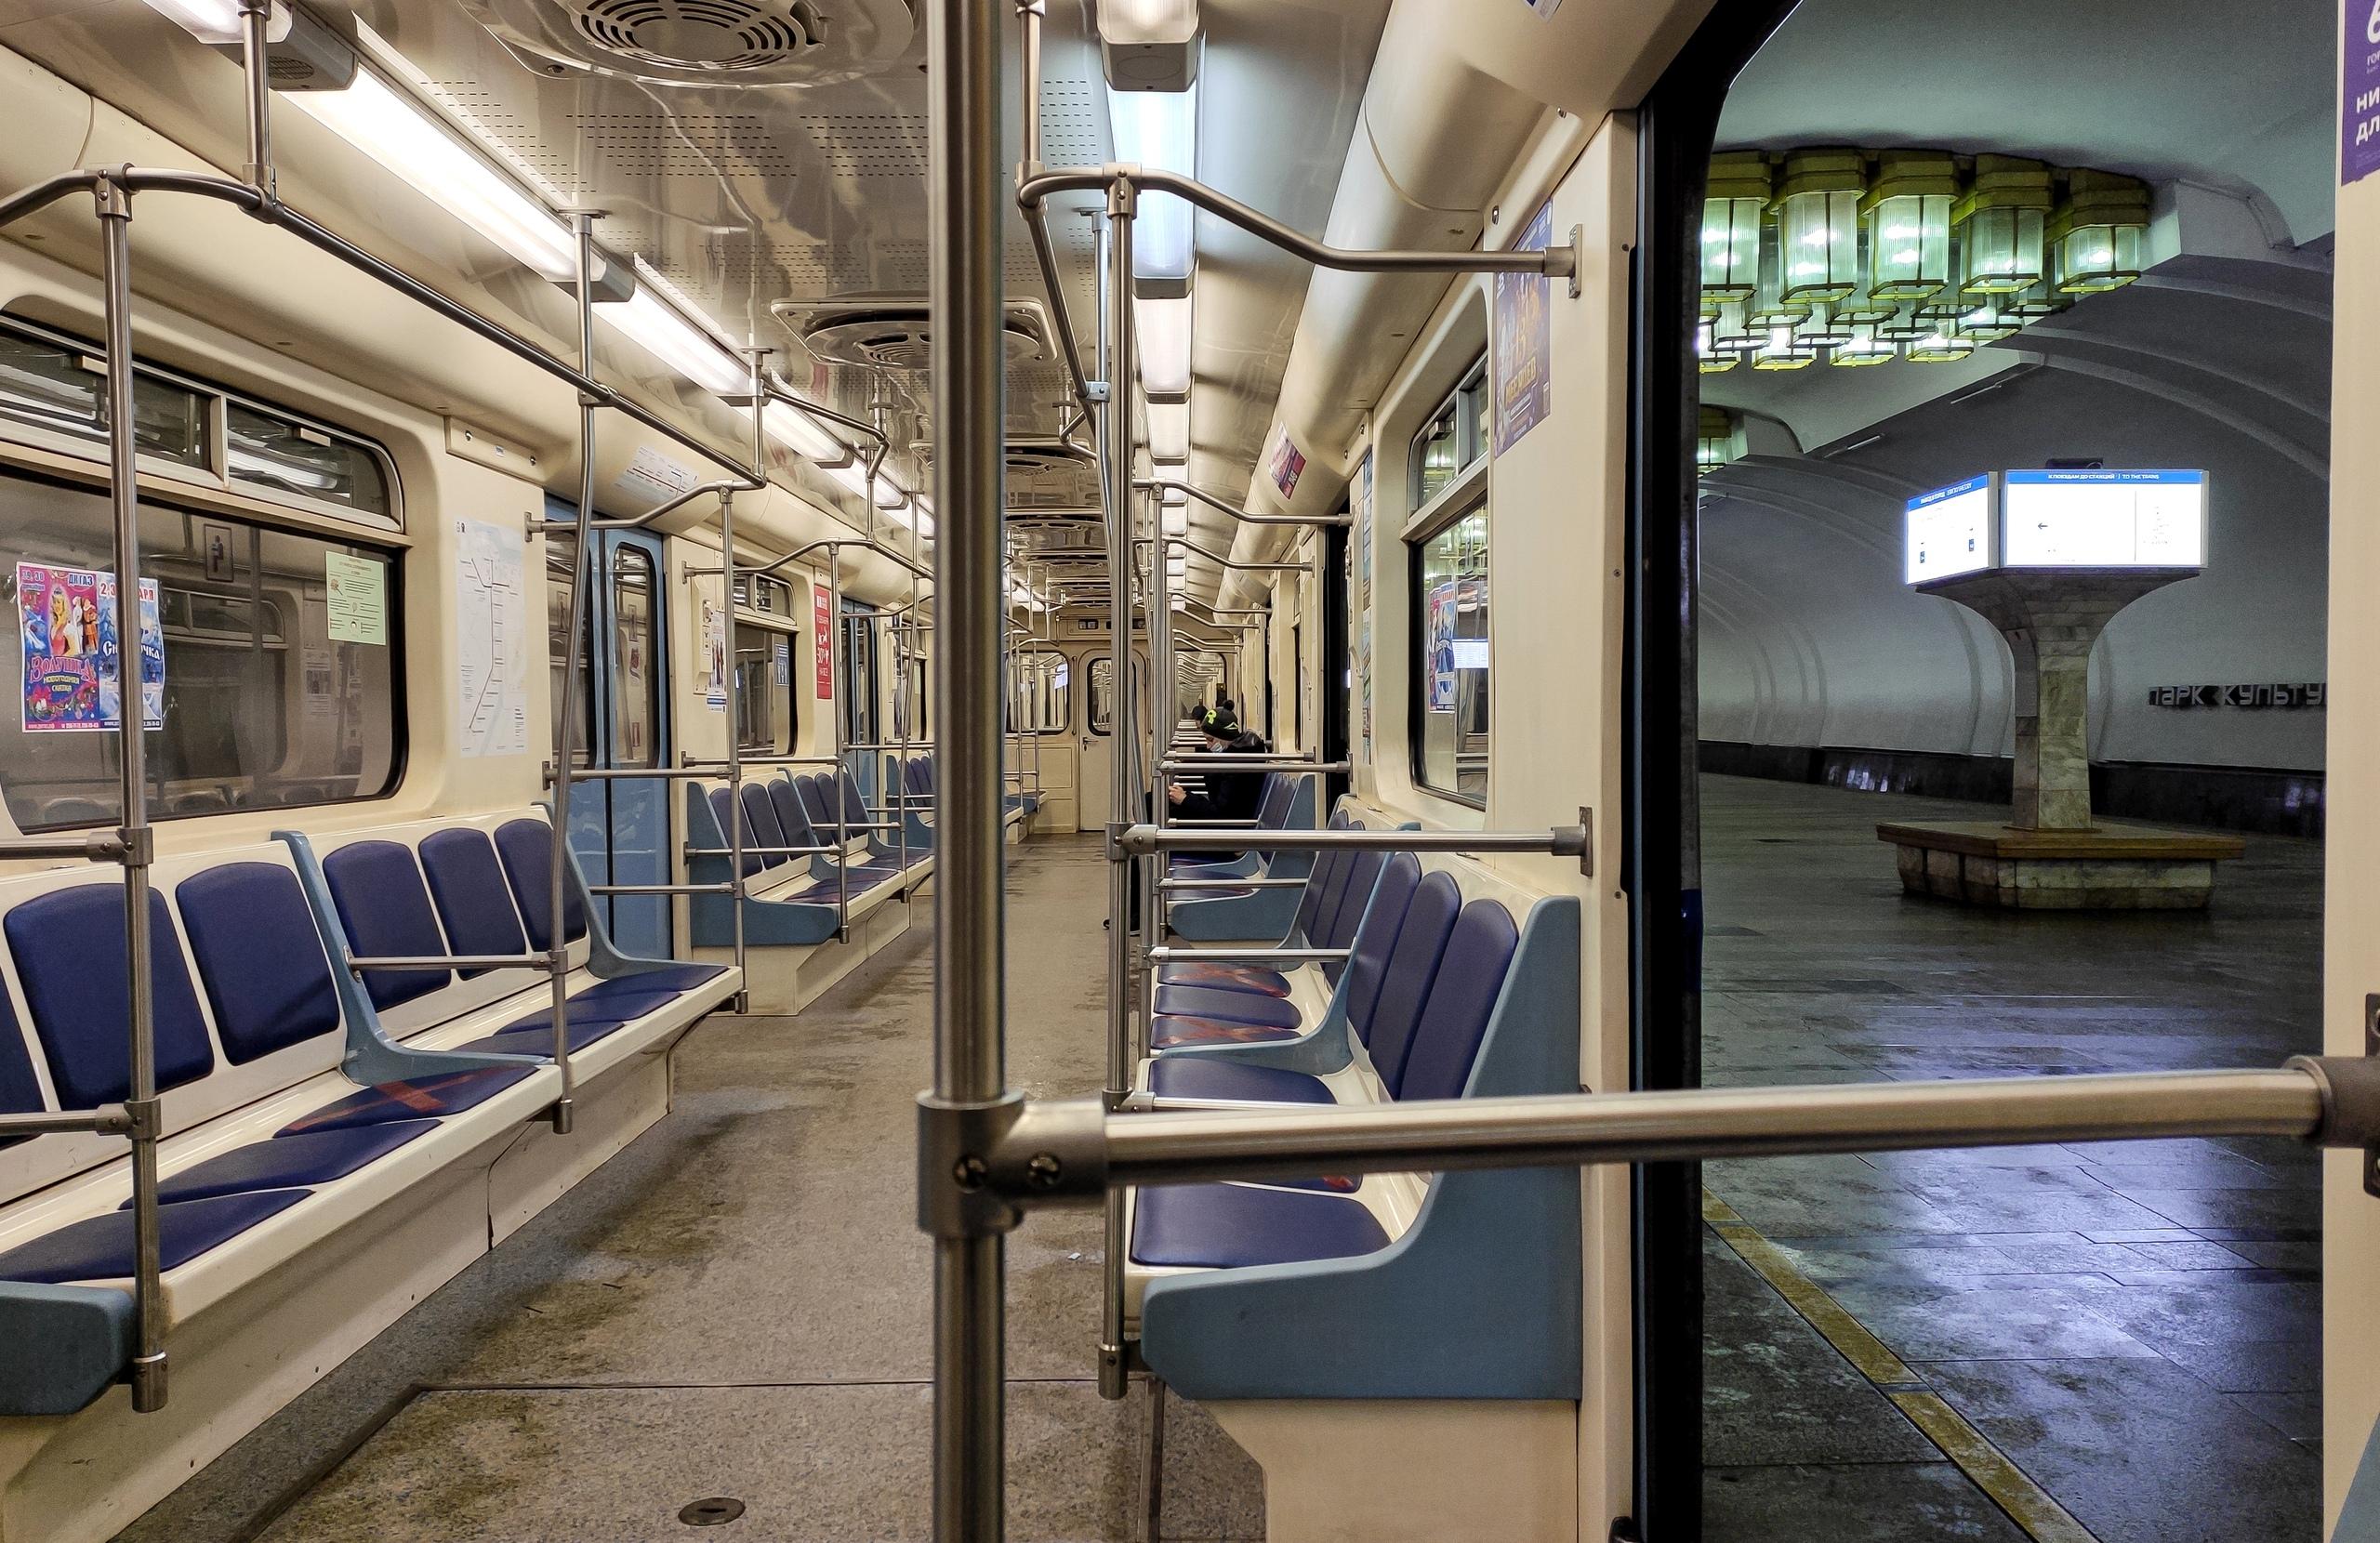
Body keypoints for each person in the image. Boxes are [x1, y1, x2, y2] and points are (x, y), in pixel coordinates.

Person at [1167, 706, 1269, 863]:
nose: (1208, 746)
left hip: (1226, 832)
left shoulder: (1237, 767)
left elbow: (1222, 815)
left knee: (1157, 810)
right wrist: (1185, 796)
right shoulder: (1236, 757)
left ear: (1224, 737)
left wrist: (1186, 799)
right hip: (1221, 824)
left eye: (1211, 740)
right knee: (1159, 802)